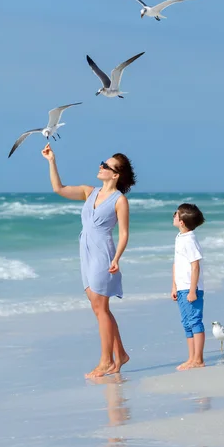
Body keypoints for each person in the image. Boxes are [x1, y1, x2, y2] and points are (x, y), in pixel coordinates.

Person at [41, 143, 136, 378]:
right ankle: (120, 354)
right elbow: (59, 189)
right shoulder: (88, 191)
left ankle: (106, 361)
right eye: (102, 163)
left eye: (106, 165)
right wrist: (52, 161)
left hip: (103, 253)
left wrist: (116, 258)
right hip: (85, 253)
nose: (100, 166)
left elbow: (123, 233)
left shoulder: (119, 200)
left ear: (116, 174)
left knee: (101, 308)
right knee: (98, 308)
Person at [171, 203, 206, 370]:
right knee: (186, 323)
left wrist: (193, 290)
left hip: (191, 288)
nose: (173, 216)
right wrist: (174, 286)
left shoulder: (190, 240)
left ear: (182, 222)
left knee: (195, 321)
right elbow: (176, 264)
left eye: (175, 214)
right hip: (181, 287)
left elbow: (195, 266)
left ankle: (198, 359)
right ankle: (191, 358)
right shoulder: (180, 237)